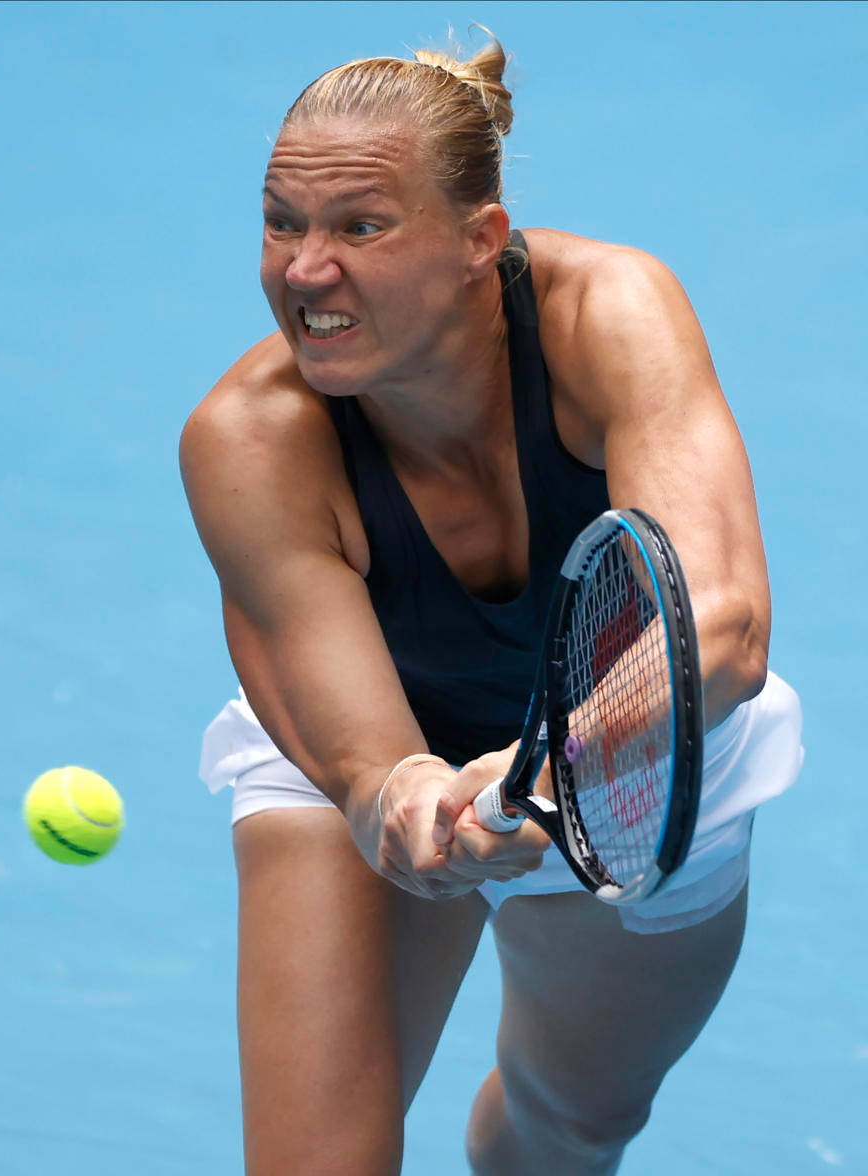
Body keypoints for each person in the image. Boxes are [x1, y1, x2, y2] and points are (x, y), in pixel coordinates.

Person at [181, 31, 803, 1176]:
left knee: (565, 1131)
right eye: (282, 223)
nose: (305, 271)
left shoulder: (606, 311)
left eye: (359, 227)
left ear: (481, 238)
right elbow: (367, 767)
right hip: (396, 727)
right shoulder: (248, 442)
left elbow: (720, 628)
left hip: (640, 766)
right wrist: (409, 802)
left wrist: (551, 762)